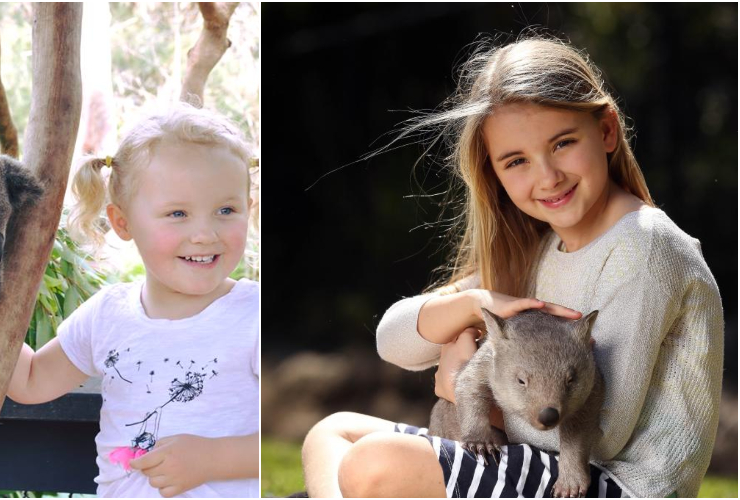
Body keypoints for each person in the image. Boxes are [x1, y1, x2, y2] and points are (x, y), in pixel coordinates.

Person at [301, 36, 723, 498]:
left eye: (562, 143)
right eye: (517, 160)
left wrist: (469, 391)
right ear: (495, 175)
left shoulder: (645, 248)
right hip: (531, 461)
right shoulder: (540, 247)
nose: (547, 177)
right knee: (333, 431)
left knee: (375, 464)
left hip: (605, 481)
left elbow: (604, 433)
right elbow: (392, 342)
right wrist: (472, 304)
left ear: (606, 130)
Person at [7, 104, 260, 497]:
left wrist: (212, 459)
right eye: (178, 213)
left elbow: (300, 437)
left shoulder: (254, 316)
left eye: (226, 210)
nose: (205, 233)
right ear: (123, 222)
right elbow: (30, 381)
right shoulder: (107, 315)